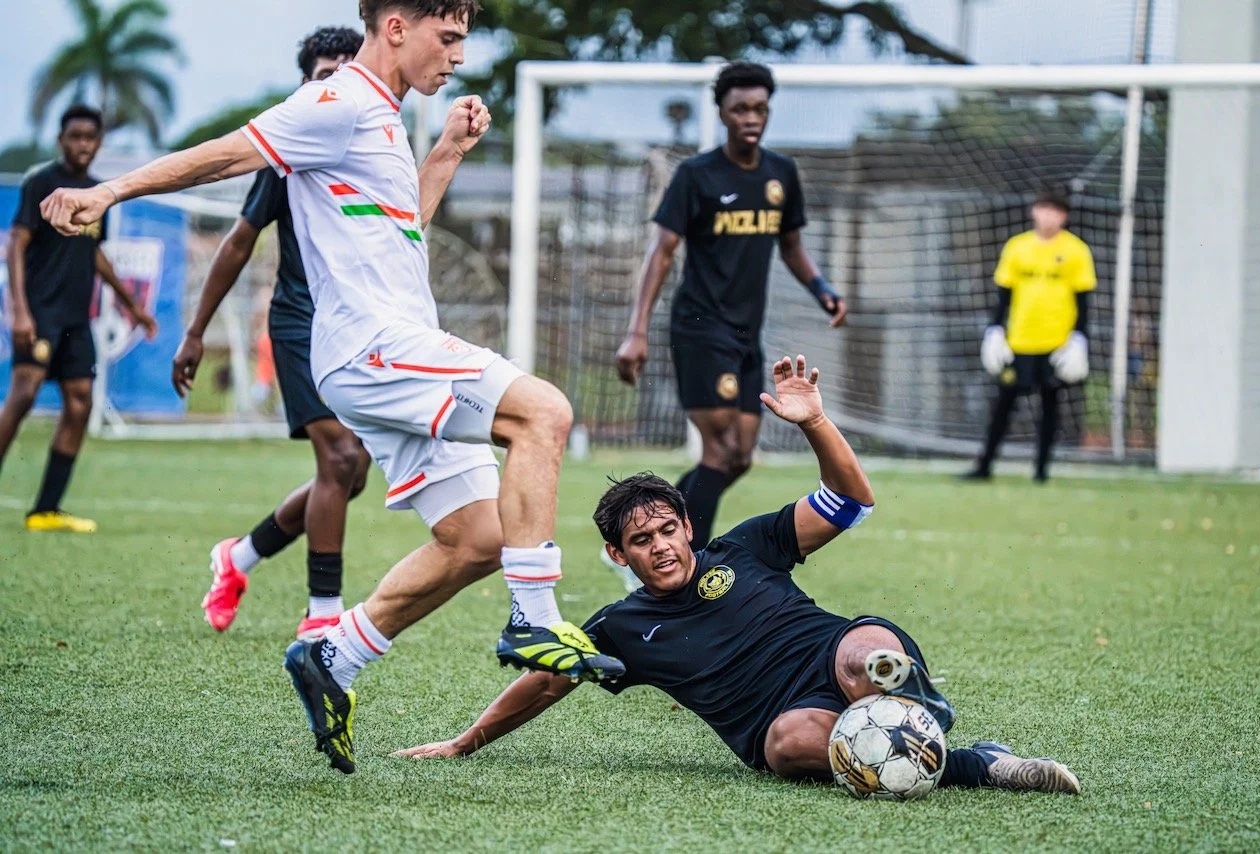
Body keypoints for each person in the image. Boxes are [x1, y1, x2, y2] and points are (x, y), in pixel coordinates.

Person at [40, 0, 624, 776]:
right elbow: (226, 154)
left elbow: (402, 231)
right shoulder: (338, 100)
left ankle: (333, 656)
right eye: (448, 38)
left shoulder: (383, 119)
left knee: (480, 538)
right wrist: (107, 193)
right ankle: (536, 618)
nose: (457, 57)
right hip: (373, 349)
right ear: (397, 27)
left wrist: (447, 151)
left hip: (387, 349)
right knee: (543, 411)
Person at [399, 354, 1081, 796]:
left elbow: (851, 502)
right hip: (778, 721)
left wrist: (815, 422)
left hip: (831, 655)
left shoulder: (747, 547)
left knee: (866, 656)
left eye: (668, 530)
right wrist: (465, 742)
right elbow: (547, 681)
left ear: (687, 527)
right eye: (642, 541)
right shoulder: (621, 628)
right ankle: (978, 762)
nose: (661, 547)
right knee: (791, 745)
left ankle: (919, 708)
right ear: (619, 556)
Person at [170, 26, 373, 642]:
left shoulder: (376, 148)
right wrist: (196, 332)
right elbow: (238, 242)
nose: (336, 86)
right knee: (339, 458)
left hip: (361, 323)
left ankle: (239, 557)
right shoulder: (291, 154)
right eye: (324, 75)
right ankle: (323, 613)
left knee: (352, 473)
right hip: (300, 323)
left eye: (347, 73)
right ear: (305, 85)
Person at [614, 61, 847, 571]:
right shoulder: (696, 175)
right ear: (722, 113)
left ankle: (641, 534)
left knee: (739, 457)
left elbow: (791, 246)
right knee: (719, 452)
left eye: (760, 108)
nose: (751, 118)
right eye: (740, 109)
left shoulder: (780, 174)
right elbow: (662, 250)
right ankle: (683, 565)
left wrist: (822, 289)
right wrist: (636, 331)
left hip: (747, 334)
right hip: (700, 329)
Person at [1, 105, 157, 533]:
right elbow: (16, 245)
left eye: (90, 137)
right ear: (61, 140)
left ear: (99, 142)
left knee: (80, 401)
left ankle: (46, 510)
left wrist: (133, 306)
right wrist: (19, 311)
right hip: (40, 313)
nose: (83, 144)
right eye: (75, 136)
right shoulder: (41, 183)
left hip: (76, 318)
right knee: (23, 395)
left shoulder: (97, 193)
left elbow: (95, 254)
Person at [964, 190, 1095, 482]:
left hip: (1056, 344)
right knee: (1003, 406)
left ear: (1064, 216)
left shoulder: (1076, 251)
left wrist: (1079, 338)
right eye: (1043, 208)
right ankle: (984, 466)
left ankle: (1041, 471)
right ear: (1033, 211)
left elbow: (1083, 300)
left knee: (1050, 408)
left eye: (1055, 211)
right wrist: (994, 329)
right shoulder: (1017, 247)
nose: (1048, 216)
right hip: (1019, 342)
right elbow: (1004, 294)